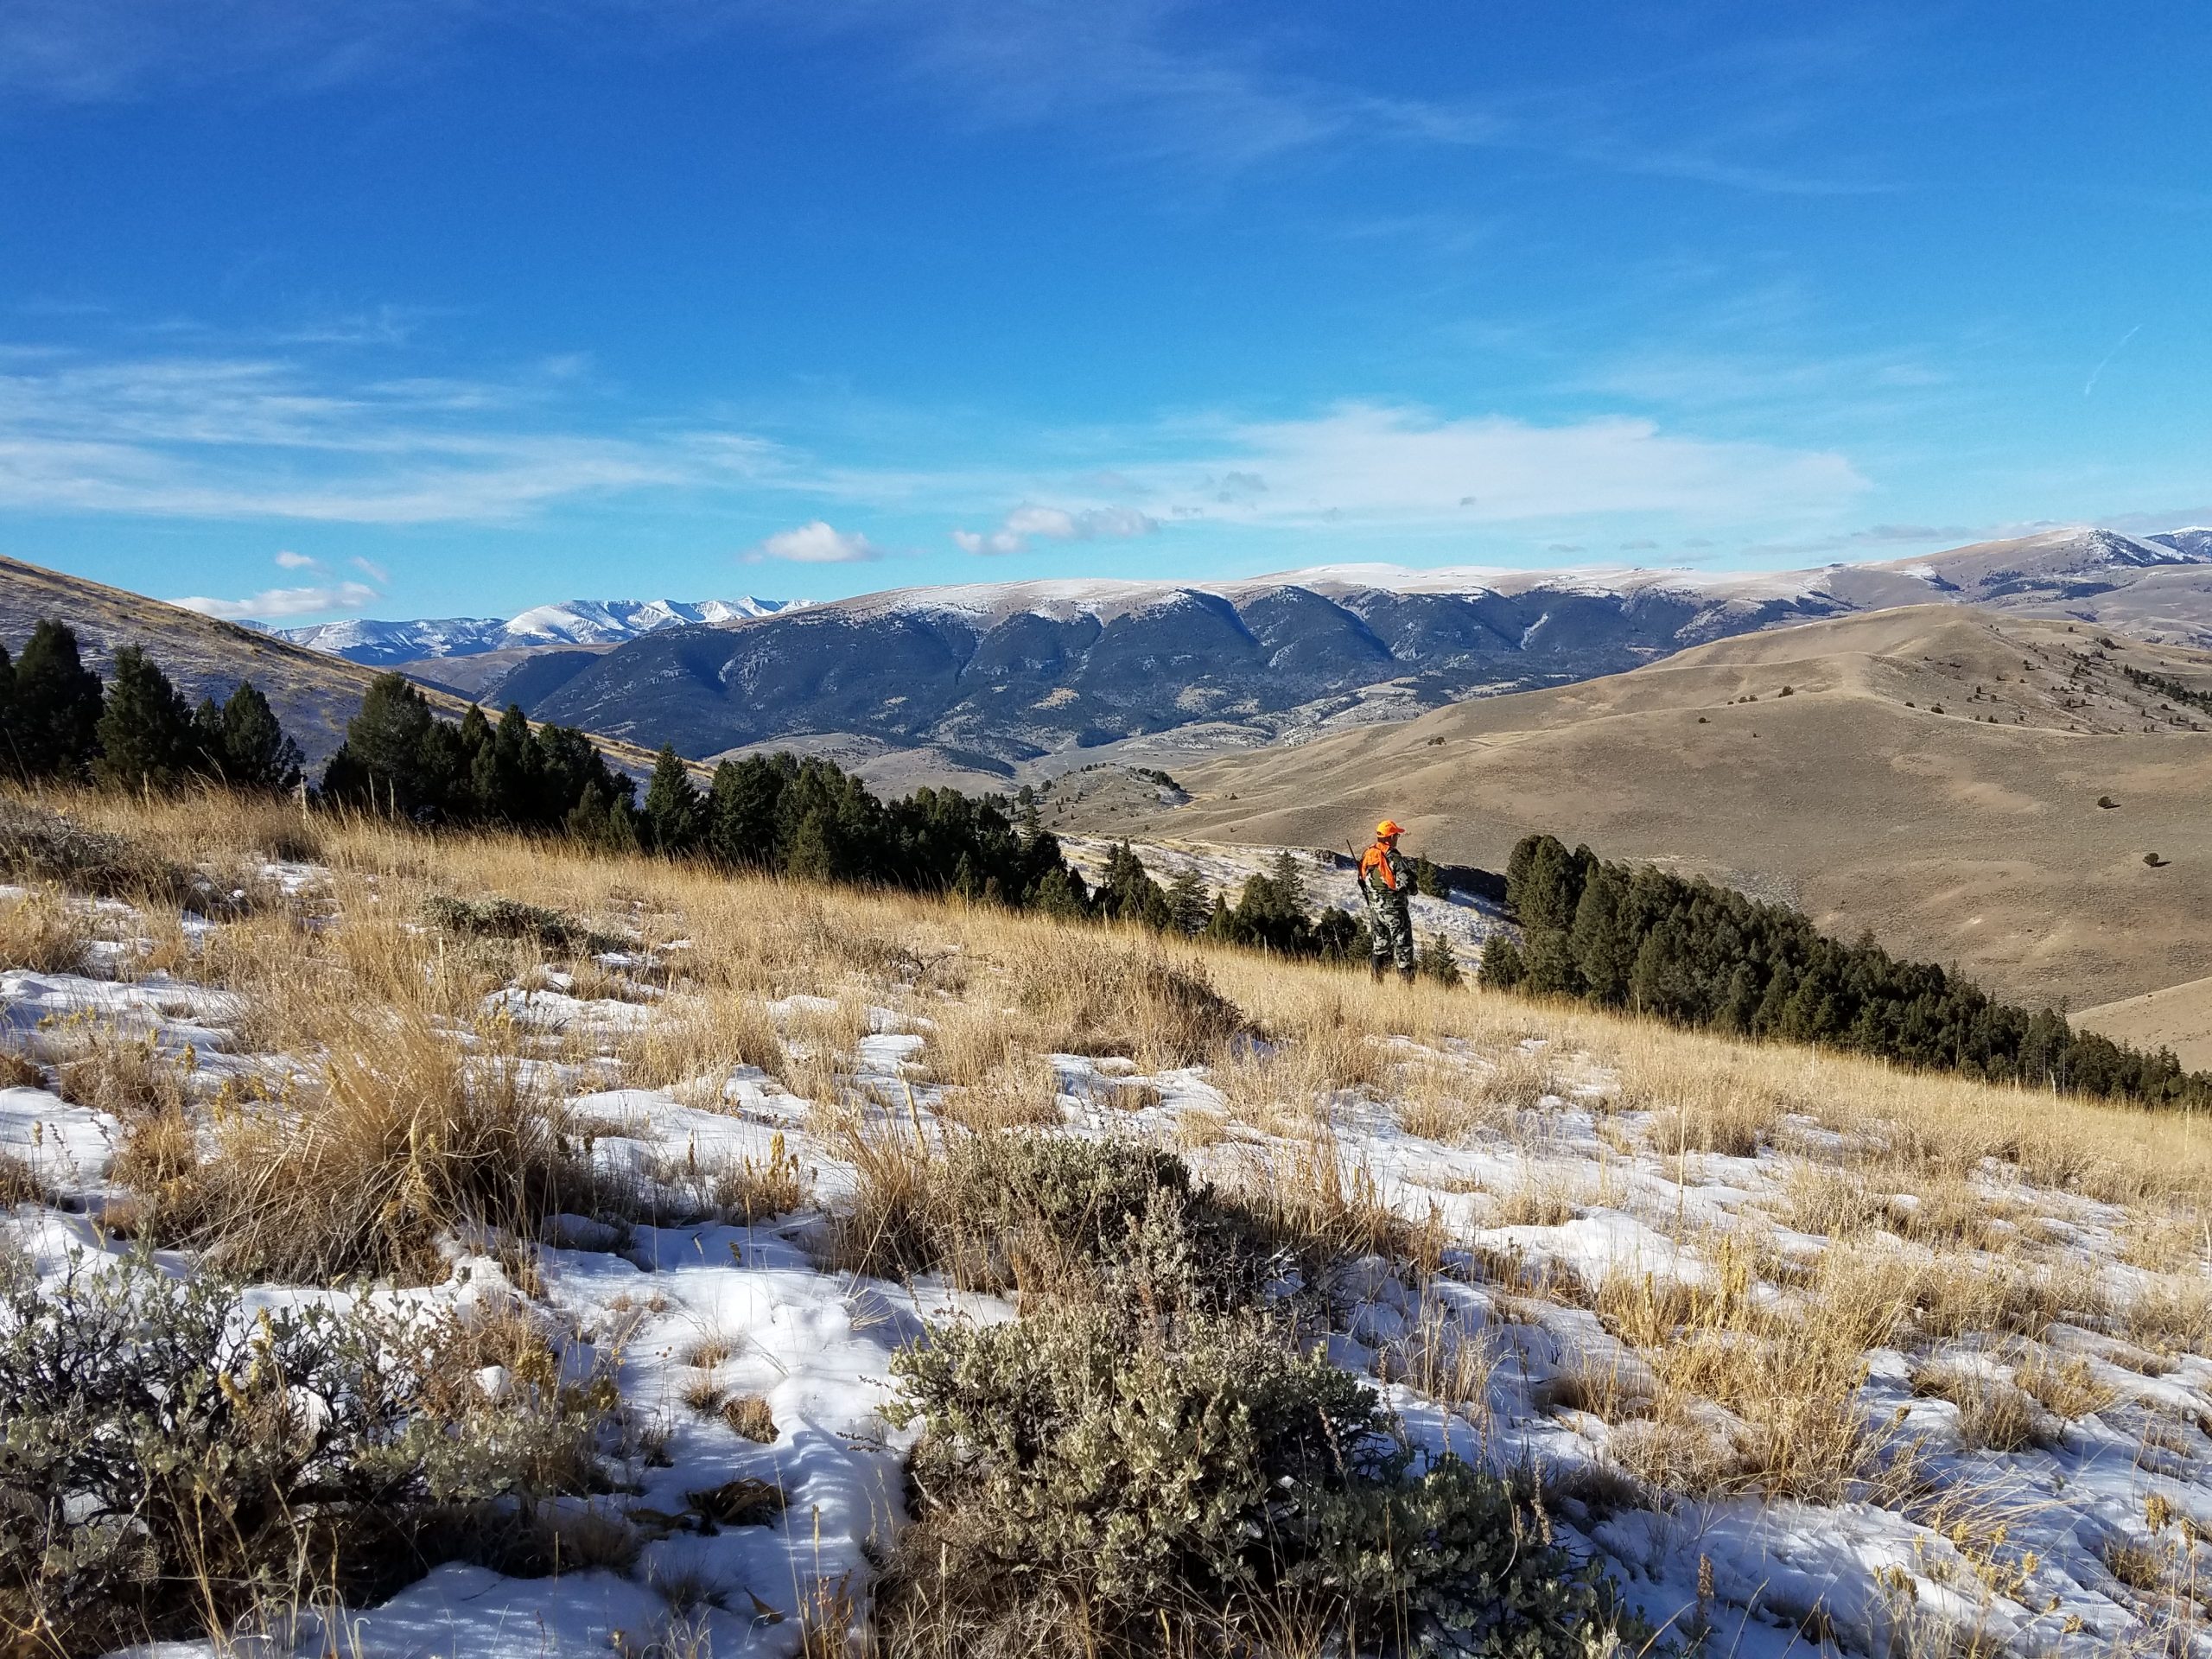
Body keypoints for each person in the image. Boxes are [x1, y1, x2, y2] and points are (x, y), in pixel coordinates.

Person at [1357, 818, 1417, 984]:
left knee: (1380, 946)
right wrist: (1412, 887)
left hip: (1375, 910)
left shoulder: (1368, 854)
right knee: (1403, 946)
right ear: (1390, 837)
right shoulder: (1393, 857)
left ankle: (1377, 982)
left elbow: (1363, 879)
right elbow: (1408, 884)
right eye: (1396, 835)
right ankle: (1407, 987)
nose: (1397, 838)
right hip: (1395, 910)